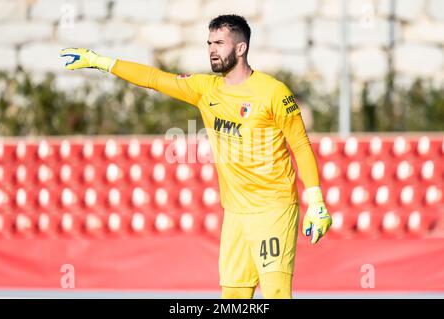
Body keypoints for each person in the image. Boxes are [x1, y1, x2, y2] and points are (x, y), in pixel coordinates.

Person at [60, 14, 332, 299]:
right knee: (234, 297)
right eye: (209, 43)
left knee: (275, 292)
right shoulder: (205, 89)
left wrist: (316, 201)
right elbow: (155, 79)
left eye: (219, 43)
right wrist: (99, 62)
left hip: (274, 209)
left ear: (241, 48)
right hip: (236, 213)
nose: (212, 49)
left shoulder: (274, 92)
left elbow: (300, 144)